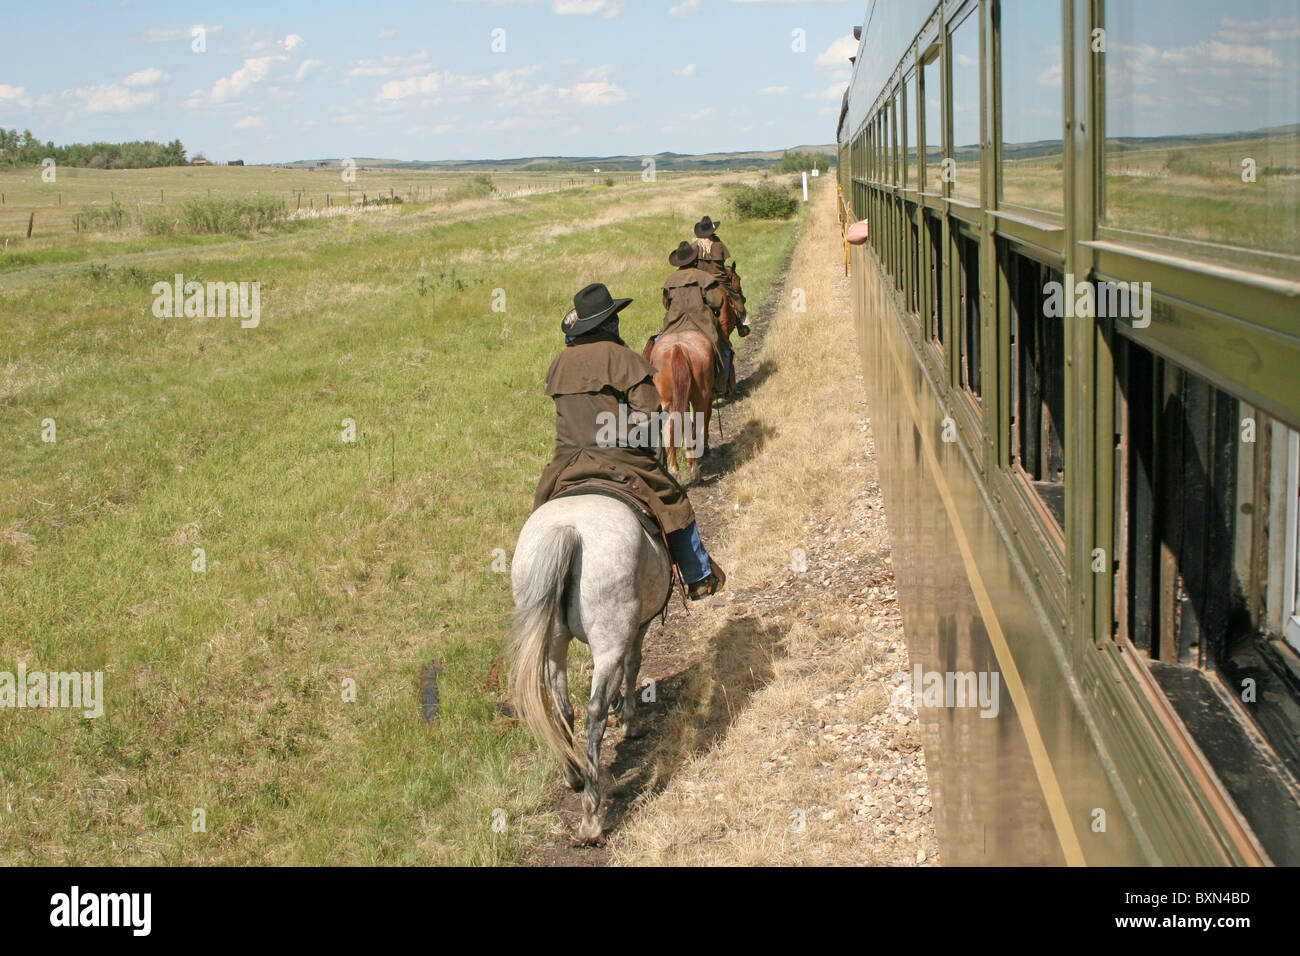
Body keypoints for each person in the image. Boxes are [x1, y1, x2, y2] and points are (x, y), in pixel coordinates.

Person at [533, 282, 726, 600]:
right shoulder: (624, 358)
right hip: (618, 458)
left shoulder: (559, 364)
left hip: (565, 462)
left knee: (541, 507)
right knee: (673, 500)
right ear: (610, 322)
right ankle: (698, 574)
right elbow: (650, 417)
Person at [657, 241, 733, 395]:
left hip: (673, 325)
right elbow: (717, 301)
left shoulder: (669, 280)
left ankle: (654, 387)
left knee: (655, 346)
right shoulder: (704, 277)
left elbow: (666, 304)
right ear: (695, 260)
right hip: (702, 324)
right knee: (725, 349)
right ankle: (721, 385)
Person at [691, 215, 750, 337]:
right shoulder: (718, 244)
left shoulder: (694, 246)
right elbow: (721, 263)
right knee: (736, 296)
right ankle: (742, 323)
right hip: (719, 280)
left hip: (699, 281)